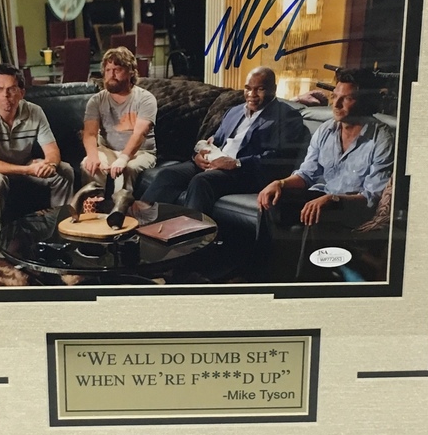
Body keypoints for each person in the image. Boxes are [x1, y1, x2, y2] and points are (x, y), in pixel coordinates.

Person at [256, 69, 394, 279]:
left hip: (353, 206)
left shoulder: (381, 138)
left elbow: (372, 197)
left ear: (364, 101)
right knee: (273, 200)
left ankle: (302, 284)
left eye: (346, 99)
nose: (336, 105)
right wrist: (280, 183)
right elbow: (307, 174)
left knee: (318, 213)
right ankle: (262, 276)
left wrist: (332, 199)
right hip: (322, 197)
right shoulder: (326, 130)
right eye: (334, 96)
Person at [141, 66, 309, 214]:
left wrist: (236, 163)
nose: (252, 95)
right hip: (216, 163)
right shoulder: (234, 111)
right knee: (167, 174)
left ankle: (191, 236)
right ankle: (141, 223)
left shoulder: (287, 116)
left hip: (245, 172)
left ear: (274, 89)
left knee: (201, 181)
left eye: (260, 89)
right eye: (248, 88)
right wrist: (198, 156)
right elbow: (215, 140)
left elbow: (278, 159)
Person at [0, 64, 73, 256]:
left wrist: (50, 164)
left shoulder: (35, 111)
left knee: (65, 171)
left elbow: (52, 151)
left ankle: (60, 231)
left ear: (21, 92)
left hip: (23, 165)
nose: (5, 95)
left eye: (11, 89)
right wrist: (28, 170)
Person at [81, 46, 157, 193]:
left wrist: (123, 158)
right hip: (108, 149)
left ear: (131, 72)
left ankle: (122, 205)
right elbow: (90, 133)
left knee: (128, 168)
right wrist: (92, 156)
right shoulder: (96, 100)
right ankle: (96, 203)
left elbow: (139, 134)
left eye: (117, 69)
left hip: (140, 152)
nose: (112, 74)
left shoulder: (145, 99)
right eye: (108, 70)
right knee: (88, 165)